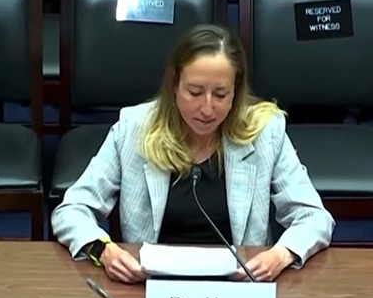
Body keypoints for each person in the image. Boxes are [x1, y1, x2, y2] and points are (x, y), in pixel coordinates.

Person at [52, 24, 335, 282]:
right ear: (175, 84)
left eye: (220, 94)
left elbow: (314, 217)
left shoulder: (265, 133)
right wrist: (104, 251)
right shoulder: (133, 128)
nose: (207, 108)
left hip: (238, 290)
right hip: (151, 288)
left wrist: (281, 254)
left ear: (235, 91)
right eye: (195, 92)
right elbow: (72, 210)